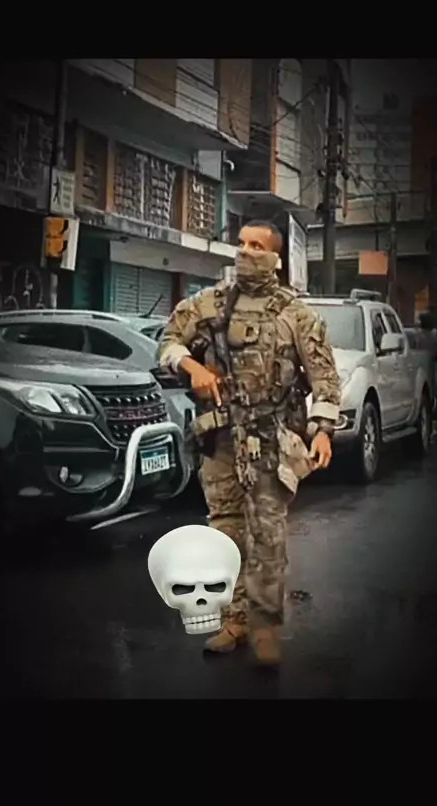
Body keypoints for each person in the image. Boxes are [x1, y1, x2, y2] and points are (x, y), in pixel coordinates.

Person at [157, 220, 341, 667]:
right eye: (240, 243)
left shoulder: (296, 315)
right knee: (225, 530)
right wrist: (191, 367)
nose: (245, 252)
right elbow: (169, 342)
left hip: (270, 440)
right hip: (220, 436)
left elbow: (325, 378)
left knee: (267, 535)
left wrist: (322, 429)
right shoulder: (209, 304)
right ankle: (234, 620)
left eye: (256, 246)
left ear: (275, 258)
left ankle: (265, 628)